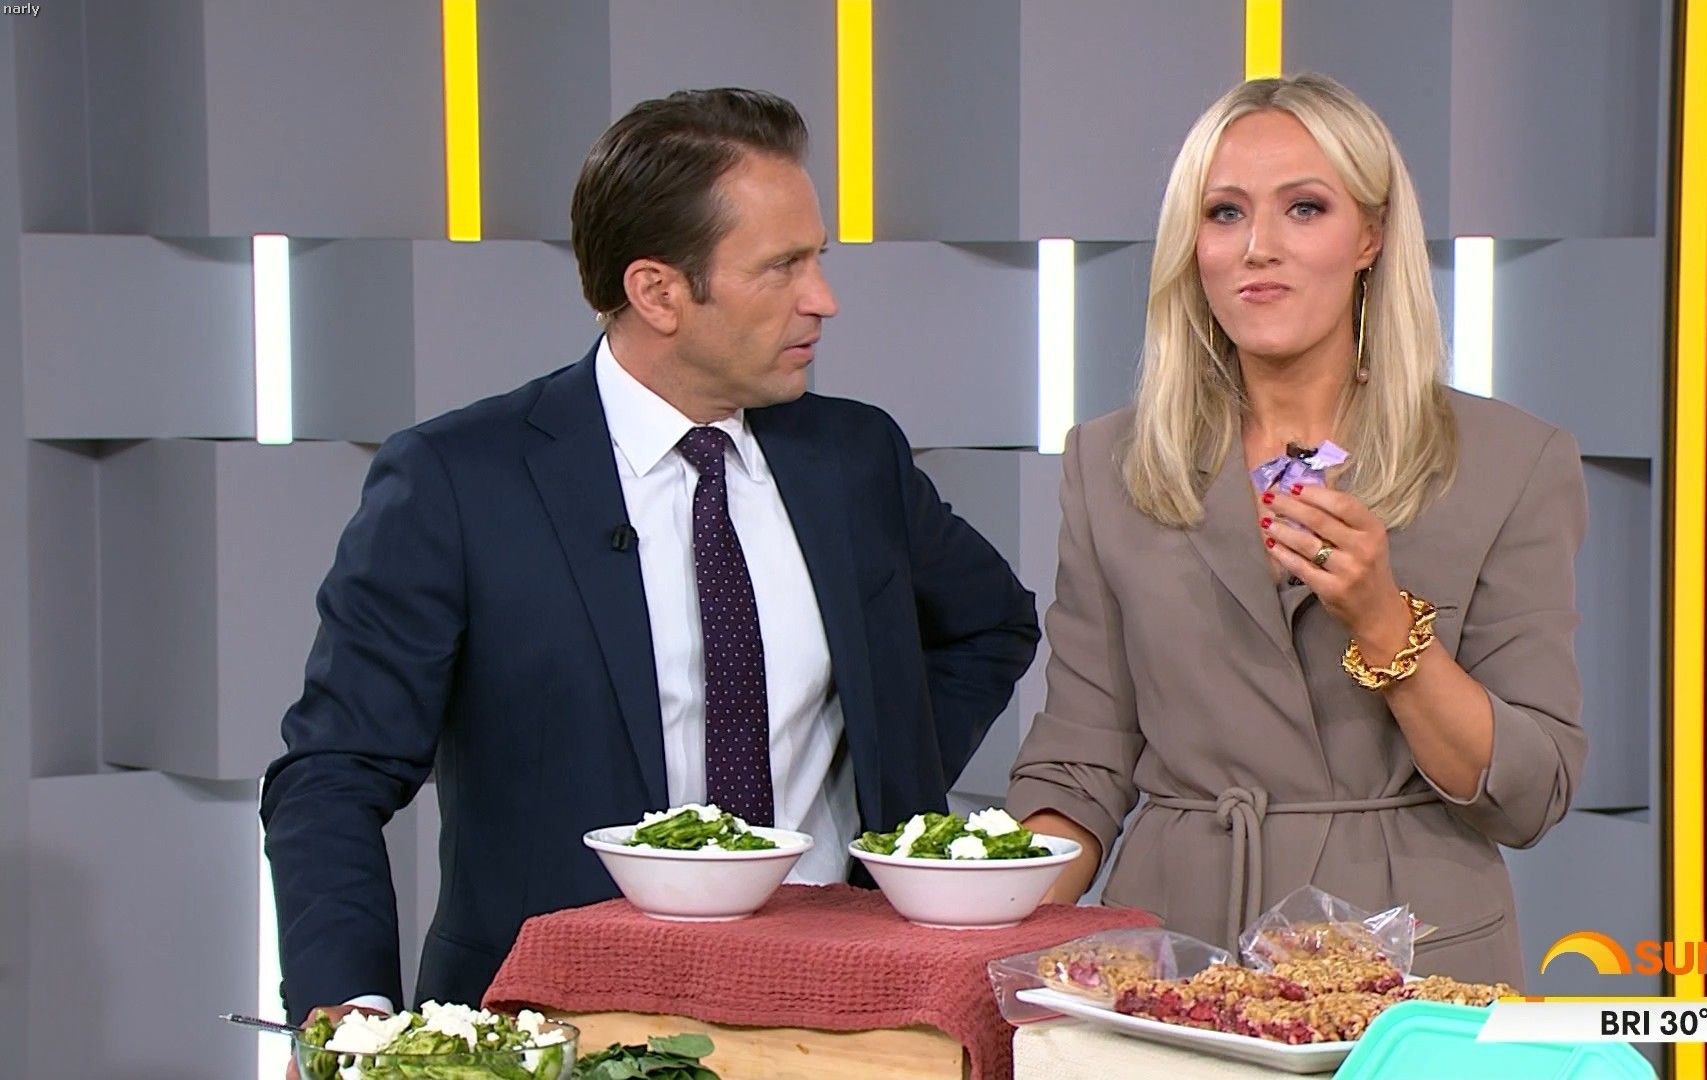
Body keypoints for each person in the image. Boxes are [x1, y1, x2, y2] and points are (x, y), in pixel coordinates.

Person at [262, 88, 1040, 1033]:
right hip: (556, 1016)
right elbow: (334, 770)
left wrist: (881, 794)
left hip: (840, 1008)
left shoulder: (853, 457)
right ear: (658, 291)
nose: (822, 299)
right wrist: (346, 1012)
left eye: (818, 259)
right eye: (782, 266)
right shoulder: (458, 480)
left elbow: (991, 625)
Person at [1006, 73, 1587, 988]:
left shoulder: (1512, 461)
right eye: (1224, 214)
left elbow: (1529, 794)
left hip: (1406, 962)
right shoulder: (1110, 462)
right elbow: (1081, 762)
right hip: (1174, 954)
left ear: (1371, 235)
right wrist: (986, 928)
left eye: (1304, 209)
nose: (1258, 248)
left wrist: (1384, 622)